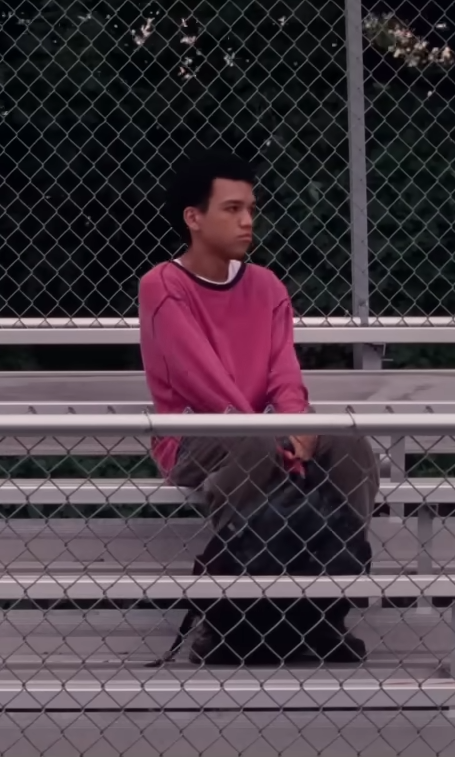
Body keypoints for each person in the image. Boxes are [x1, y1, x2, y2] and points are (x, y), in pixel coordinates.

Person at [137, 149, 379, 663]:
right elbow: (201, 380)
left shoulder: (267, 285)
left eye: (251, 208)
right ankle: (229, 616)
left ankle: (328, 605)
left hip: (266, 433)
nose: (247, 220)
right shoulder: (163, 284)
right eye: (232, 209)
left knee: (349, 444)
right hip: (195, 437)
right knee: (251, 442)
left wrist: (297, 424)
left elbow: (283, 372)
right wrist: (278, 436)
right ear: (194, 218)